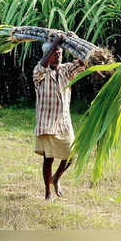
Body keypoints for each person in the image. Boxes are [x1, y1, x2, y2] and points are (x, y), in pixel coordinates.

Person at [33, 34, 87, 200]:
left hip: (63, 122)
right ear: (47, 55)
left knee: (71, 155)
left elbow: (84, 61)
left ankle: (56, 178)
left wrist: (74, 40)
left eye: (59, 54)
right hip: (47, 123)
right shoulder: (39, 72)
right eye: (54, 54)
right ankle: (48, 192)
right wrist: (55, 42)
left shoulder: (66, 70)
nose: (57, 57)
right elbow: (42, 66)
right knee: (48, 159)